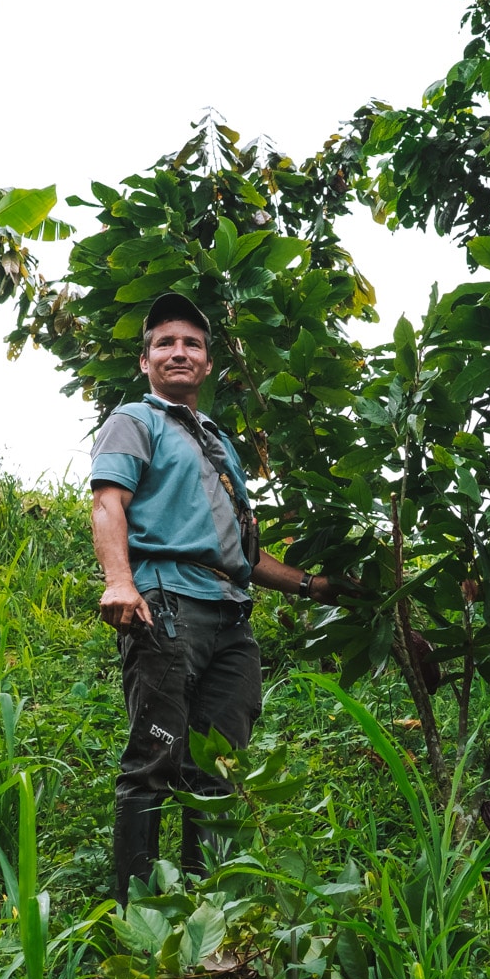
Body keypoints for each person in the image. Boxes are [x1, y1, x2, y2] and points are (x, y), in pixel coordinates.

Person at [90, 291, 333, 902]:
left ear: (207, 364)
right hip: (167, 604)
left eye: (191, 344)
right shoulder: (135, 420)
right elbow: (107, 502)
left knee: (218, 771)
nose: (179, 351)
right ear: (145, 362)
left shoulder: (220, 446)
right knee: (155, 760)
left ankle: (211, 915)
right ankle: (137, 919)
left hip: (230, 620)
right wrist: (120, 582)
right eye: (164, 343)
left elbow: (247, 556)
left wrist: (315, 585)